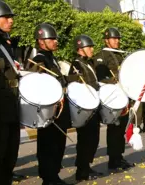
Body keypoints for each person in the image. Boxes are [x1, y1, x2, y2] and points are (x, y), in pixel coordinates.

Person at [27, 23, 72, 185]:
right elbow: (37, 84)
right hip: (48, 110)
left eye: (55, 38)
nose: (55, 41)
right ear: (41, 41)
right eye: (51, 38)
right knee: (48, 145)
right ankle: (49, 178)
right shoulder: (39, 60)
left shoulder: (51, 58)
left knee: (59, 144)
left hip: (58, 109)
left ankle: (54, 175)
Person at [0, 1, 22, 184]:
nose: (10, 21)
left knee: (9, 157)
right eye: (6, 17)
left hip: (10, 109)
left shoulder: (3, 44)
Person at [94, 27, 135, 171]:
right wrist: (113, 80)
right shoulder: (101, 56)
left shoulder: (120, 55)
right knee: (114, 129)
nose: (117, 41)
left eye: (118, 38)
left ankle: (119, 156)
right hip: (112, 98)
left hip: (124, 96)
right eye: (114, 38)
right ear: (106, 40)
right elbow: (100, 77)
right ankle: (113, 160)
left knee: (120, 129)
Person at [67, 34, 103, 181]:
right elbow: (76, 86)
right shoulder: (76, 65)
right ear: (80, 49)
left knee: (93, 139)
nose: (92, 49)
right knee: (85, 140)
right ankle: (82, 170)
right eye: (89, 47)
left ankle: (86, 166)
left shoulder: (89, 63)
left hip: (93, 105)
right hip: (85, 107)